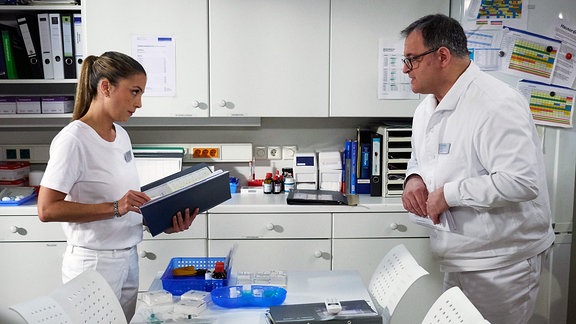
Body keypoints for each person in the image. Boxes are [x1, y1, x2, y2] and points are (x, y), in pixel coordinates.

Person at [399, 14, 554, 324]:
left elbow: (521, 182)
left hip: (502, 264)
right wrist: (413, 178)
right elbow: (424, 158)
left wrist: (448, 195)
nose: (405, 69)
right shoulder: (426, 108)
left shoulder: (495, 103)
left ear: (442, 56)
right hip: (458, 256)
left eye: (411, 59)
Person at [37, 51, 199, 321]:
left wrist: (160, 222)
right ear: (105, 87)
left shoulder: (120, 135)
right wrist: (115, 207)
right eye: (134, 92)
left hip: (128, 257)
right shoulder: (73, 140)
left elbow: (125, 205)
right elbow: (47, 209)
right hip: (93, 263)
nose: (139, 103)